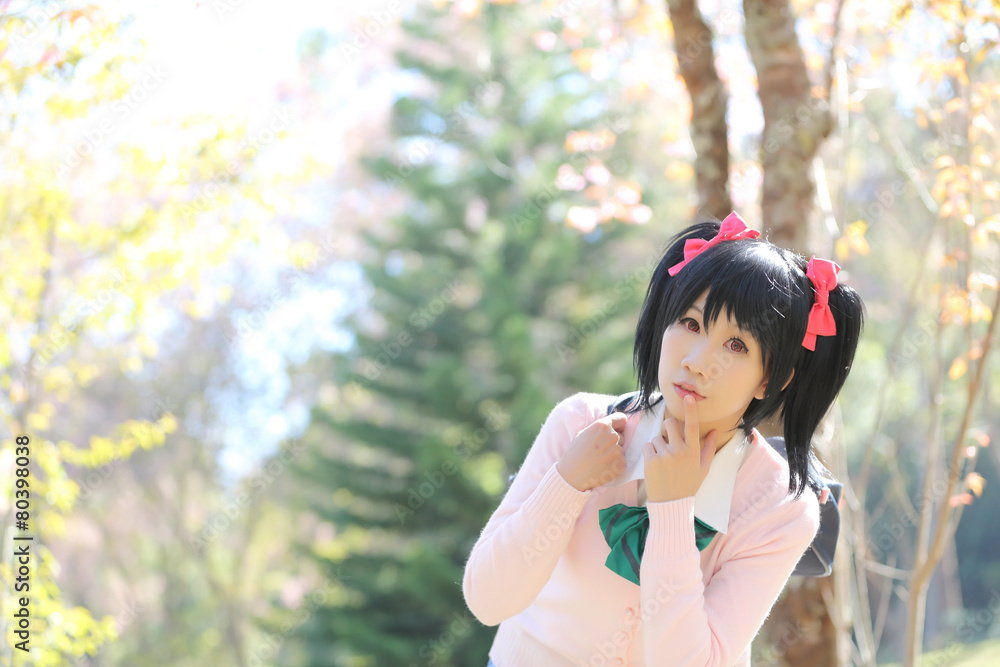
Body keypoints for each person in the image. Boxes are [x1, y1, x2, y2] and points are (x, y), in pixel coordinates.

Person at [462, 212, 866, 667]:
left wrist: (673, 509)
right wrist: (567, 482)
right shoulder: (582, 423)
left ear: (770, 379)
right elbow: (487, 601)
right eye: (691, 324)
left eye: (736, 345)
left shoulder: (780, 508)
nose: (697, 361)